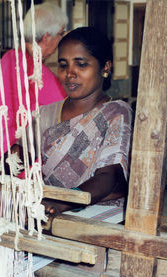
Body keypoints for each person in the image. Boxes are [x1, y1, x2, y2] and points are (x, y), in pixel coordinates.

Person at [39, 27, 133, 215]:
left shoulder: (116, 113)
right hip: (48, 210)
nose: (70, 73)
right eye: (63, 65)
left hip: (99, 216)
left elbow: (108, 176)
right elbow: (17, 157)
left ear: (105, 67)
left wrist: (63, 202)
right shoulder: (44, 113)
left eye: (81, 64)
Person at [0, 2, 68, 166]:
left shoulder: (8, 58)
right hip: (24, 166)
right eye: (61, 34)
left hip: (1, 157)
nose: (61, 39)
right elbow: (66, 117)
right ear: (47, 37)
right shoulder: (41, 76)